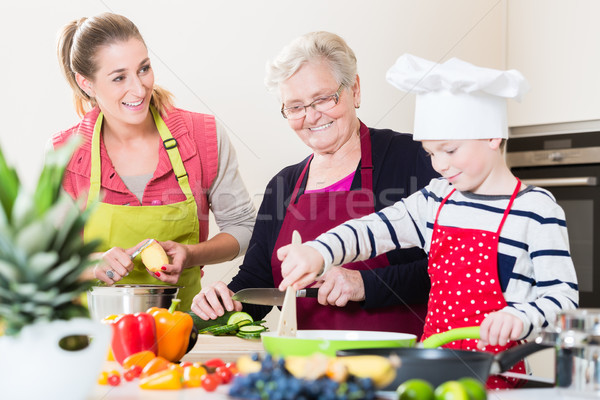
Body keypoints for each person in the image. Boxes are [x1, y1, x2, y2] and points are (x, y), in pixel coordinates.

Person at [277, 54, 579, 388]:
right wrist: (320, 252)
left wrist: (521, 317)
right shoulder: (435, 199)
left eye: (450, 150)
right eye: (432, 153)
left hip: (501, 374)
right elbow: (371, 230)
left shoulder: (536, 209)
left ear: (492, 136)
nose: (440, 165)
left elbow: (562, 299)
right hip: (431, 370)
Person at [191, 32, 439, 335]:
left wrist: (364, 284)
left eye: (322, 98)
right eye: (295, 107)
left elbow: (454, 265)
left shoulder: (414, 158)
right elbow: (258, 283)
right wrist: (226, 300)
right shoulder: (283, 185)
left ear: (355, 90)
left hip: (396, 364)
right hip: (304, 365)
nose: (311, 116)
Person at [51, 13, 255, 310]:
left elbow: (244, 227)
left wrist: (192, 254)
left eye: (143, 69)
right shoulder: (66, 153)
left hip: (183, 330)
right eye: (119, 77)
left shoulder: (203, 136)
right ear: (87, 84)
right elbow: (47, 262)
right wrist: (92, 264)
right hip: (95, 338)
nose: (139, 88)